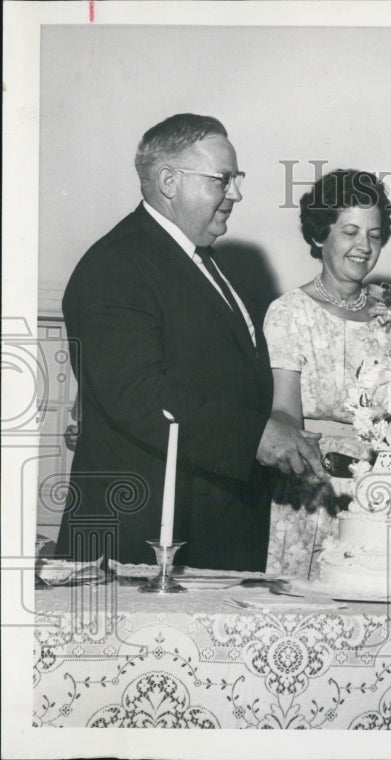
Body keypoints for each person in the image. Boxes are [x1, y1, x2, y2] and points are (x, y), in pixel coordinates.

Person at [56, 113, 323, 570]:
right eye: (222, 180)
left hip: (208, 525)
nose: (235, 193)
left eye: (236, 179)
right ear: (167, 181)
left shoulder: (200, 259)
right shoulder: (115, 265)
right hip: (141, 535)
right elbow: (138, 394)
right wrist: (253, 435)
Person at [264, 169, 391, 577]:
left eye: (374, 234)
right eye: (350, 231)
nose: (363, 246)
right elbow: (284, 414)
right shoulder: (289, 312)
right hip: (311, 492)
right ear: (319, 236)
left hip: (381, 493)